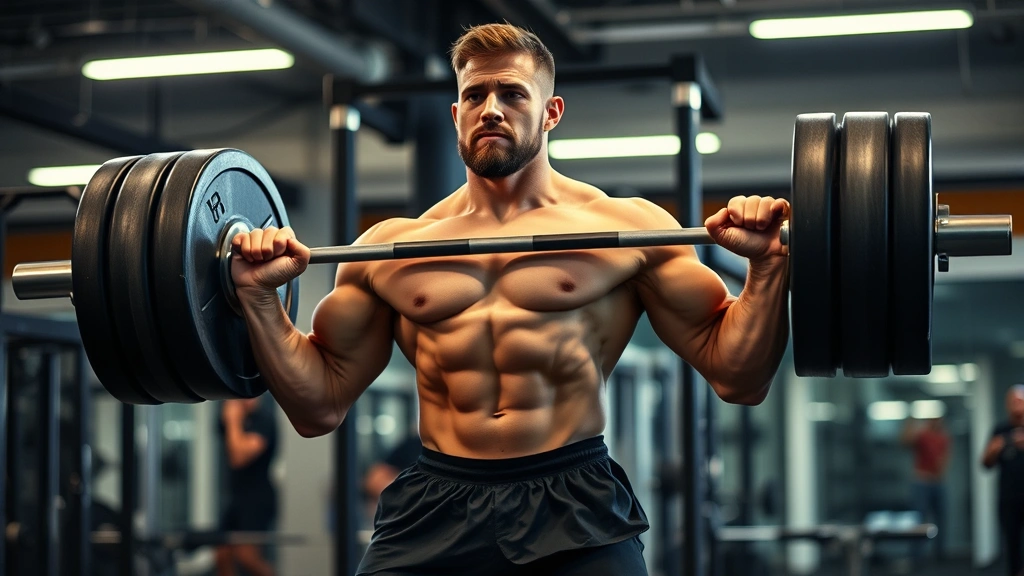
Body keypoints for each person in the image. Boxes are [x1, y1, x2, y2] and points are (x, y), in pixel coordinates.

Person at [230, 22, 790, 576]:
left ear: (551, 113)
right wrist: (258, 299)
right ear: (456, 115)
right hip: (437, 499)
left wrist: (767, 268)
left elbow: (738, 377)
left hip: (572, 498)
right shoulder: (388, 249)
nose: (490, 109)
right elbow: (318, 406)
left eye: (513, 94)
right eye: (474, 95)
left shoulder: (630, 231)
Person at [215, 397, 279, 576]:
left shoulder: (264, 419)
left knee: (247, 556)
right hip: (236, 497)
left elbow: (238, 457)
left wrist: (233, 420)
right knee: (222, 555)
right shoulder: (234, 417)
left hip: (258, 498)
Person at [982, 385, 1024, 576]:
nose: (1016, 405)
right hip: (1009, 499)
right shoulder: (1000, 430)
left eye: (1020, 401)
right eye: (1012, 401)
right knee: (1012, 545)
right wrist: (995, 449)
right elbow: (985, 464)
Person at [901, 415, 950, 562]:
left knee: (941, 519)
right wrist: (910, 423)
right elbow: (905, 441)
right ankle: (916, 557)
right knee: (919, 521)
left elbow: (945, 458)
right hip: (921, 482)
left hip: (938, 482)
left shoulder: (943, 437)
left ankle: (940, 556)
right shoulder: (922, 434)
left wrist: (941, 472)